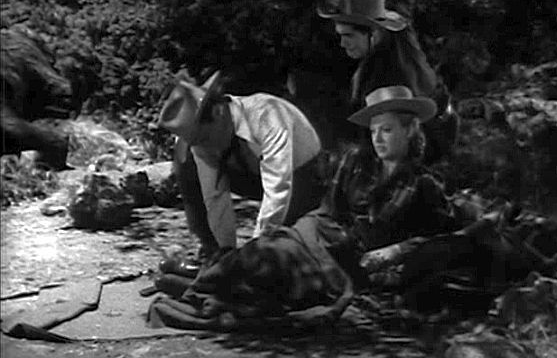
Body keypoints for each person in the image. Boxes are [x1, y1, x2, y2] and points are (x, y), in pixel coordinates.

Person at [148, 85, 456, 329]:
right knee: (267, 250)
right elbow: (328, 209)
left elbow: (439, 238)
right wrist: (291, 235)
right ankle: (209, 281)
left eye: (387, 130)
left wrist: (395, 251)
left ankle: (207, 286)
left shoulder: (423, 184)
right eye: (374, 131)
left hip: (344, 249)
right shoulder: (357, 162)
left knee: (276, 264)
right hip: (320, 232)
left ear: (409, 130)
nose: (378, 139)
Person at [157, 70, 324, 262]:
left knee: (288, 250)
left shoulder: (266, 114)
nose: (204, 148)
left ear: (218, 112)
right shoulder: (201, 141)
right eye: (197, 142)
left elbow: (278, 191)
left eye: (205, 139)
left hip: (303, 178)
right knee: (186, 164)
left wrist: (255, 252)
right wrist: (226, 253)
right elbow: (214, 198)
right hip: (253, 175)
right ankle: (213, 252)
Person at [317, 0, 459, 163]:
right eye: (341, 35)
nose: (342, 44)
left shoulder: (390, 78)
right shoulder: (381, 60)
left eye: (349, 36)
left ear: (375, 35)